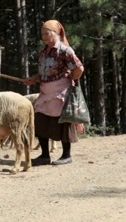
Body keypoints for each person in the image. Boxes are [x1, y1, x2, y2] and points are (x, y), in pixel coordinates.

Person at [24, 20, 84, 166]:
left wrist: (69, 79)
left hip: (61, 92)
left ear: (56, 33)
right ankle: (45, 155)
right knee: (39, 120)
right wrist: (35, 79)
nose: (44, 36)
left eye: (47, 33)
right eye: (42, 34)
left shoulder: (65, 51)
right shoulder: (44, 52)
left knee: (63, 122)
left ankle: (66, 155)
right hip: (45, 92)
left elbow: (79, 68)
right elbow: (43, 72)